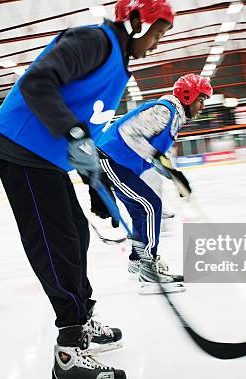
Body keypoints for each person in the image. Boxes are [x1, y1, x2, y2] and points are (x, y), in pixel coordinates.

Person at [0, 1, 174, 377]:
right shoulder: (93, 41)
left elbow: (87, 126)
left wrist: (93, 182)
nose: (157, 43)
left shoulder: (118, 67)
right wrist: (72, 132)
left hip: (49, 158)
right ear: (135, 22)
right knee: (57, 246)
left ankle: (83, 318)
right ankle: (68, 352)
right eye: (156, 32)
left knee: (77, 236)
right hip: (21, 148)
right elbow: (38, 83)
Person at [96, 74, 212, 293]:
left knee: (142, 210)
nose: (202, 106)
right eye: (201, 100)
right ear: (188, 96)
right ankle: (148, 266)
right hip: (111, 158)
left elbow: (159, 157)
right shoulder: (164, 111)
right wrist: (160, 160)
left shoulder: (174, 117)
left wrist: (175, 177)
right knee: (150, 206)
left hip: (120, 163)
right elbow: (129, 132)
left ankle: (137, 262)